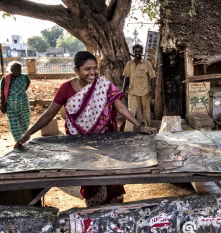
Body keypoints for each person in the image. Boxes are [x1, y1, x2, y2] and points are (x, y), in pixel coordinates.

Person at [15, 51, 157, 207]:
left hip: (105, 141)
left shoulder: (103, 85)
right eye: (87, 69)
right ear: (76, 70)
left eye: (94, 68)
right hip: (79, 146)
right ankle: (94, 214)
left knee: (111, 179)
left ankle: (114, 214)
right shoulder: (66, 89)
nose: (92, 72)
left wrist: (140, 126)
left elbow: (121, 108)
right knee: (90, 182)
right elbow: (49, 114)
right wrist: (28, 134)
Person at [122, 44, 155, 130]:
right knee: (131, 112)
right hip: (132, 91)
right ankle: (128, 132)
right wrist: (123, 90)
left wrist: (153, 91)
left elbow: (152, 77)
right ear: (133, 52)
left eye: (139, 52)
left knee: (146, 111)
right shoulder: (129, 64)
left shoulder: (147, 63)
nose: (137, 53)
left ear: (142, 52)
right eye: (136, 52)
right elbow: (126, 77)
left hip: (145, 91)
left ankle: (148, 128)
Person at [1, 61, 31, 141]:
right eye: (14, 69)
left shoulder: (25, 77)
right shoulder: (5, 79)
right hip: (11, 105)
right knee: (14, 123)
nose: (17, 71)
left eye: (19, 69)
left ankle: (24, 137)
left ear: (21, 69)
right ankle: (18, 140)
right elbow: (3, 93)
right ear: (11, 69)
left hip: (23, 103)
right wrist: (2, 106)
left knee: (25, 121)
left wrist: (20, 94)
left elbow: (27, 85)